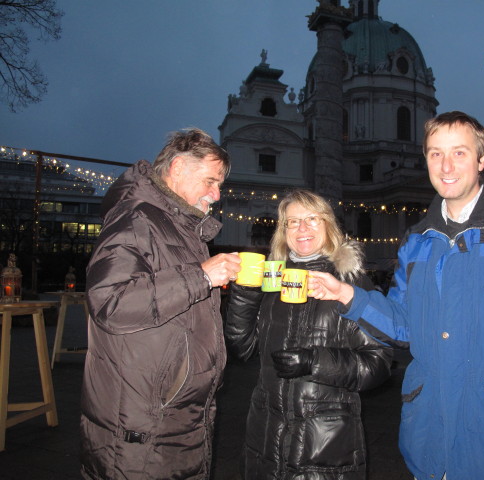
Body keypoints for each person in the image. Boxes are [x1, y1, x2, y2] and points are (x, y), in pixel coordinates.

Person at [308, 111, 484, 480]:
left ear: (482, 158)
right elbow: (404, 327)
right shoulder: (416, 241)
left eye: (459, 152)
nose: (446, 165)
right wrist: (348, 296)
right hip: (429, 435)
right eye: (436, 153)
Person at [80, 128, 242, 479]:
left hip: (178, 416)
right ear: (179, 167)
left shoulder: (181, 226)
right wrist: (201, 276)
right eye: (211, 181)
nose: (216, 195)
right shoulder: (136, 217)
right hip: (142, 420)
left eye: (219, 186)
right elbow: (109, 302)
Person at [225, 189, 393, 479]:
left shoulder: (350, 281)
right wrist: (244, 293)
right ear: (283, 230)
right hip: (266, 438)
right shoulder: (272, 279)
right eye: (292, 221)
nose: (302, 228)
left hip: (324, 446)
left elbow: (378, 363)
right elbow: (242, 347)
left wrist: (315, 362)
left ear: (328, 225)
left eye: (312, 219)